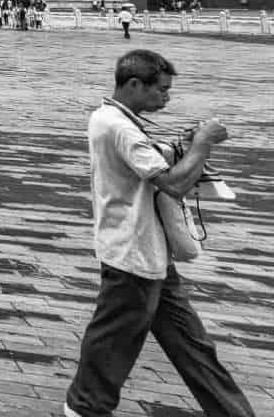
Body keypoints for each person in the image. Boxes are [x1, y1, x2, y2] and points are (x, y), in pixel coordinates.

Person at [64, 49, 254, 417]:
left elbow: (148, 161)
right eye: (161, 90)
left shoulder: (112, 118)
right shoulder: (119, 126)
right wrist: (202, 144)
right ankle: (83, 409)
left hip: (151, 255)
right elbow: (174, 185)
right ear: (135, 84)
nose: (166, 97)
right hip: (131, 257)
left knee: (193, 345)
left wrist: (181, 145)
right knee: (112, 343)